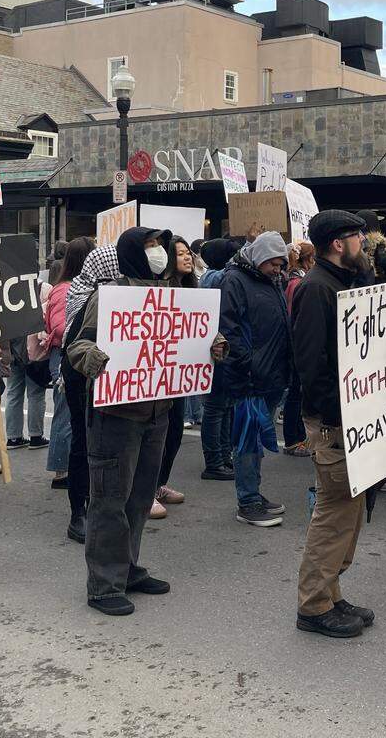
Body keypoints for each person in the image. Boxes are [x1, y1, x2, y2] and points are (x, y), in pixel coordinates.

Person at [68, 227, 221, 616]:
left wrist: (213, 346)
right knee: (109, 502)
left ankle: (129, 569)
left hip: (157, 413)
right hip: (115, 415)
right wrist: (95, 359)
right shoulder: (109, 296)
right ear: (134, 252)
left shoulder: (173, 297)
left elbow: (187, 342)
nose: (158, 252)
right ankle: (103, 585)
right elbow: (78, 345)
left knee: (139, 499)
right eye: (150, 246)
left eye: (160, 245)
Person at [293, 210, 386, 638]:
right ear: (338, 244)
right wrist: (338, 419)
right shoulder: (316, 289)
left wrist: (385, 332)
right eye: (358, 236)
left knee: (350, 513)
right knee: (334, 513)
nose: (365, 243)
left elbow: (357, 347)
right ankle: (314, 605)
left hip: (355, 419)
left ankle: (331, 592)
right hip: (337, 423)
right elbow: (311, 363)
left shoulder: (347, 284)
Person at [219, 231, 291, 527]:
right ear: (259, 257)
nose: (278, 270)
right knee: (247, 441)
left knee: (256, 441)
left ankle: (253, 493)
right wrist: (246, 366)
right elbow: (229, 328)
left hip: (269, 374)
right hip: (249, 378)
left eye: (280, 264)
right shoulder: (234, 280)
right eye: (273, 263)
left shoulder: (267, 280)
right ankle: (247, 501)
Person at [61, 241, 123, 543]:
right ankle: (78, 512)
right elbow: (72, 340)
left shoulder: (121, 293)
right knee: (83, 441)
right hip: (81, 376)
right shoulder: (85, 294)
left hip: (111, 375)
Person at [46, 237, 94, 540]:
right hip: (74, 365)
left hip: (82, 365)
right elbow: (62, 329)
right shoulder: (67, 290)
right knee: (73, 429)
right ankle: (62, 472)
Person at [153, 237, 200, 512]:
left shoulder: (193, 288)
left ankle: (160, 483)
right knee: (156, 435)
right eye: (180, 253)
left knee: (173, 434)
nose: (187, 258)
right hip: (159, 373)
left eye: (189, 253)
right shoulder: (160, 288)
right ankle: (145, 490)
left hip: (180, 376)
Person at [198, 238, 242, 480]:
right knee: (217, 408)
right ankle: (215, 460)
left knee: (224, 407)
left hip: (216, 344)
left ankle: (223, 457)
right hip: (216, 346)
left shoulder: (210, 276)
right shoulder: (218, 277)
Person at [282, 242, 315, 458]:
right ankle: (292, 440)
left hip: (299, 342)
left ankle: (299, 437)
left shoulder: (300, 279)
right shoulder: (297, 282)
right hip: (297, 343)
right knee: (295, 392)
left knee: (299, 392)